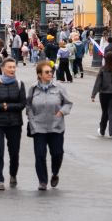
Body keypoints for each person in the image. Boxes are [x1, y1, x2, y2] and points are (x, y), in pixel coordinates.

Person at [26, 60, 72, 191]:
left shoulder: (59, 87)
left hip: (56, 126)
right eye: (46, 72)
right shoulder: (33, 88)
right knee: (40, 155)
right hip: (38, 126)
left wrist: (61, 112)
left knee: (57, 153)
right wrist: (31, 118)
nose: (50, 74)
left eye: (51, 72)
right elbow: (28, 105)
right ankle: (42, 181)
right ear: (39, 74)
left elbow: (68, 103)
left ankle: (55, 173)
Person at [0, 57, 26, 190]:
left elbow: (22, 104)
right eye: (10, 67)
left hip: (15, 123)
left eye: (14, 67)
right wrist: (3, 107)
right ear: (3, 68)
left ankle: (13, 174)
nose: (12, 69)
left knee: (14, 153)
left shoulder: (19, 84)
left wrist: (8, 106)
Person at [91, 50, 112, 137]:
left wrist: (93, 94)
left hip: (104, 93)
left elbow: (98, 82)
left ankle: (102, 130)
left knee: (105, 111)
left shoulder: (103, 69)